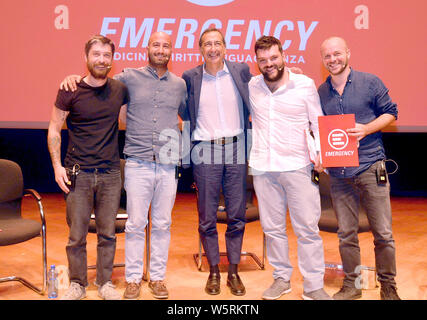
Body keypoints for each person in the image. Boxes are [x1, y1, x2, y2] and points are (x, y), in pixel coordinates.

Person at [60, 32, 187, 300]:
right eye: (156, 45)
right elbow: (95, 81)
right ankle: (132, 279)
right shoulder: (128, 78)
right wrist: (72, 77)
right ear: (148, 48)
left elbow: (188, 117)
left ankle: (158, 278)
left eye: (166, 46)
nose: (161, 50)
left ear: (171, 51)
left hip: (167, 164)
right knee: (135, 224)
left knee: (163, 224)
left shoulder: (180, 84)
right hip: (138, 162)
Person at [248, 36, 331, 300]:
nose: (269, 64)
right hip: (263, 168)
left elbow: (317, 123)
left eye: (273, 58)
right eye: (263, 60)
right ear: (257, 62)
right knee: (272, 229)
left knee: (307, 229)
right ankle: (281, 278)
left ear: (283, 55)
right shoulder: (253, 86)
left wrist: (320, 154)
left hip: (298, 167)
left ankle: (313, 286)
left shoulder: (305, 85)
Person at [318, 36, 400, 300]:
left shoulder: (370, 82)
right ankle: (352, 285)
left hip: (370, 167)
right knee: (346, 235)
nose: (333, 60)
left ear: (348, 54)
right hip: (339, 174)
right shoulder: (321, 92)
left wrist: (367, 128)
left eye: (337, 54)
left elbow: (391, 112)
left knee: (383, 234)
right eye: (327, 56)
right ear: (323, 60)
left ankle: (388, 287)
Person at [47, 35, 129, 300]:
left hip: (110, 173)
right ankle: (77, 284)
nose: (102, 60)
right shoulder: (70, 88)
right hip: (77, 174)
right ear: (86, 58)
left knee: (108, 234)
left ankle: (105, 283)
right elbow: (53, 128)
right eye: (96, 54)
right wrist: (57, 166)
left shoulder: (119, 89)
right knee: (77, 236)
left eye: (107, 55)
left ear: (112, 60)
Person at [181, 28, 251, 296]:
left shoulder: (241, 71)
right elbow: (183, 111)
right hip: (205, 152)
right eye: (207, 44)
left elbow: (263, 88)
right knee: (207, 217)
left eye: (217, 43)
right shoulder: (190, 77)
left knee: (236, 215)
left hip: (236, 149)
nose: (213, 48)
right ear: (200, 49)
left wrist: (291, 73)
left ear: (225, 46)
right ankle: (213, 271)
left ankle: (233, 271)